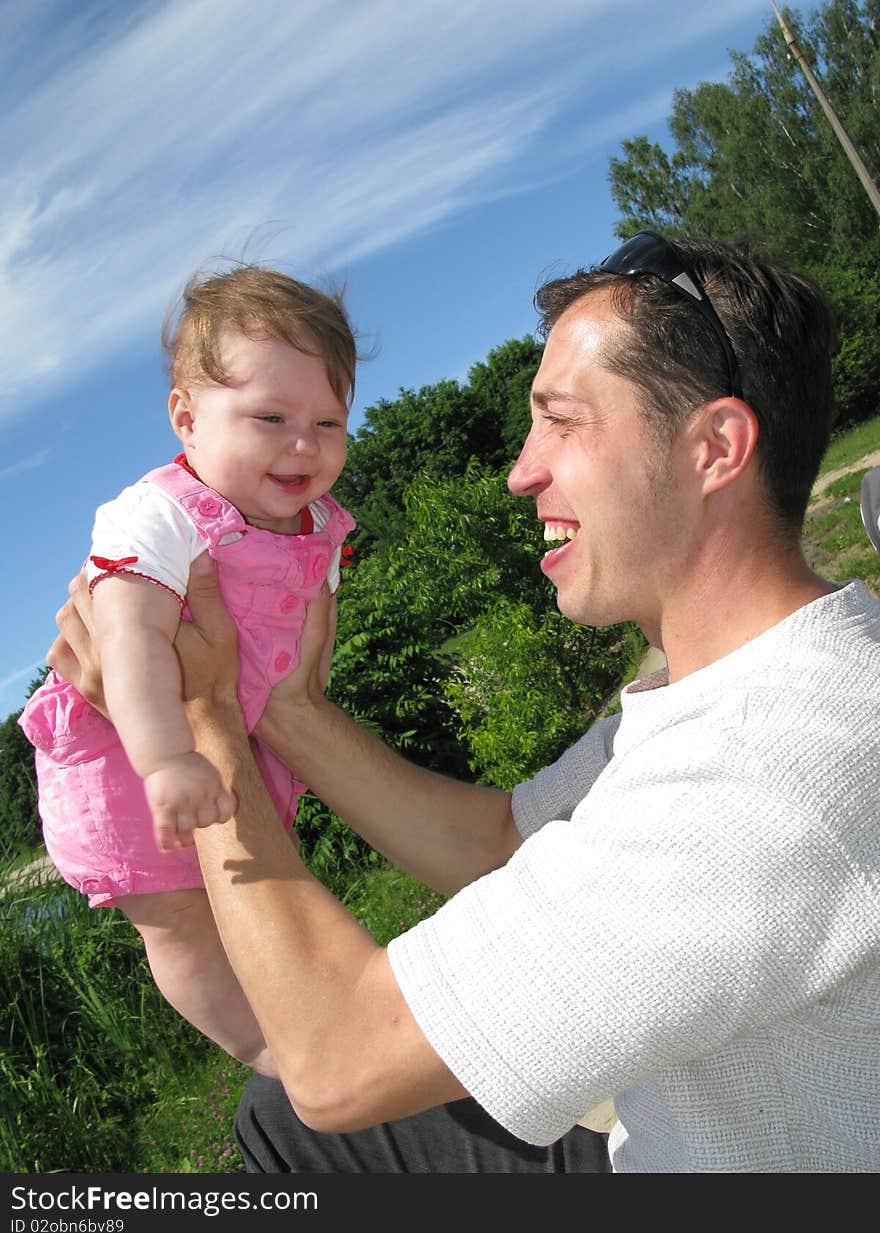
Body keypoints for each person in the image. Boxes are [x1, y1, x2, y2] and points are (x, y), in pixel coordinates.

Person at [51, 233, 880, 1174]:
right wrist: (280, 708)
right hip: (672, 1132)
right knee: (273, 1116)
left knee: (300, 1116)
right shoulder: (742, 688)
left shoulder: (776, 762)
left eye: (561, 421)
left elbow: (339, 1064)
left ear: (715, 448)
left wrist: (205, 721)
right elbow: (501, 845)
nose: (521, 470)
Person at [21, 264, 356, 1072]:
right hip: (129, 757)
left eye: (329, 421)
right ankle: (257, 1044)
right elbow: (126, 633)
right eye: (270, 416)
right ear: (188, 419)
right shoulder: (161, 512)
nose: (303, 444)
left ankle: (318, 1023)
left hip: (235, 741)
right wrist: (166, 754)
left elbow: (312, 636)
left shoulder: (319, 526)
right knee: (175, 916)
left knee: (255, 888)